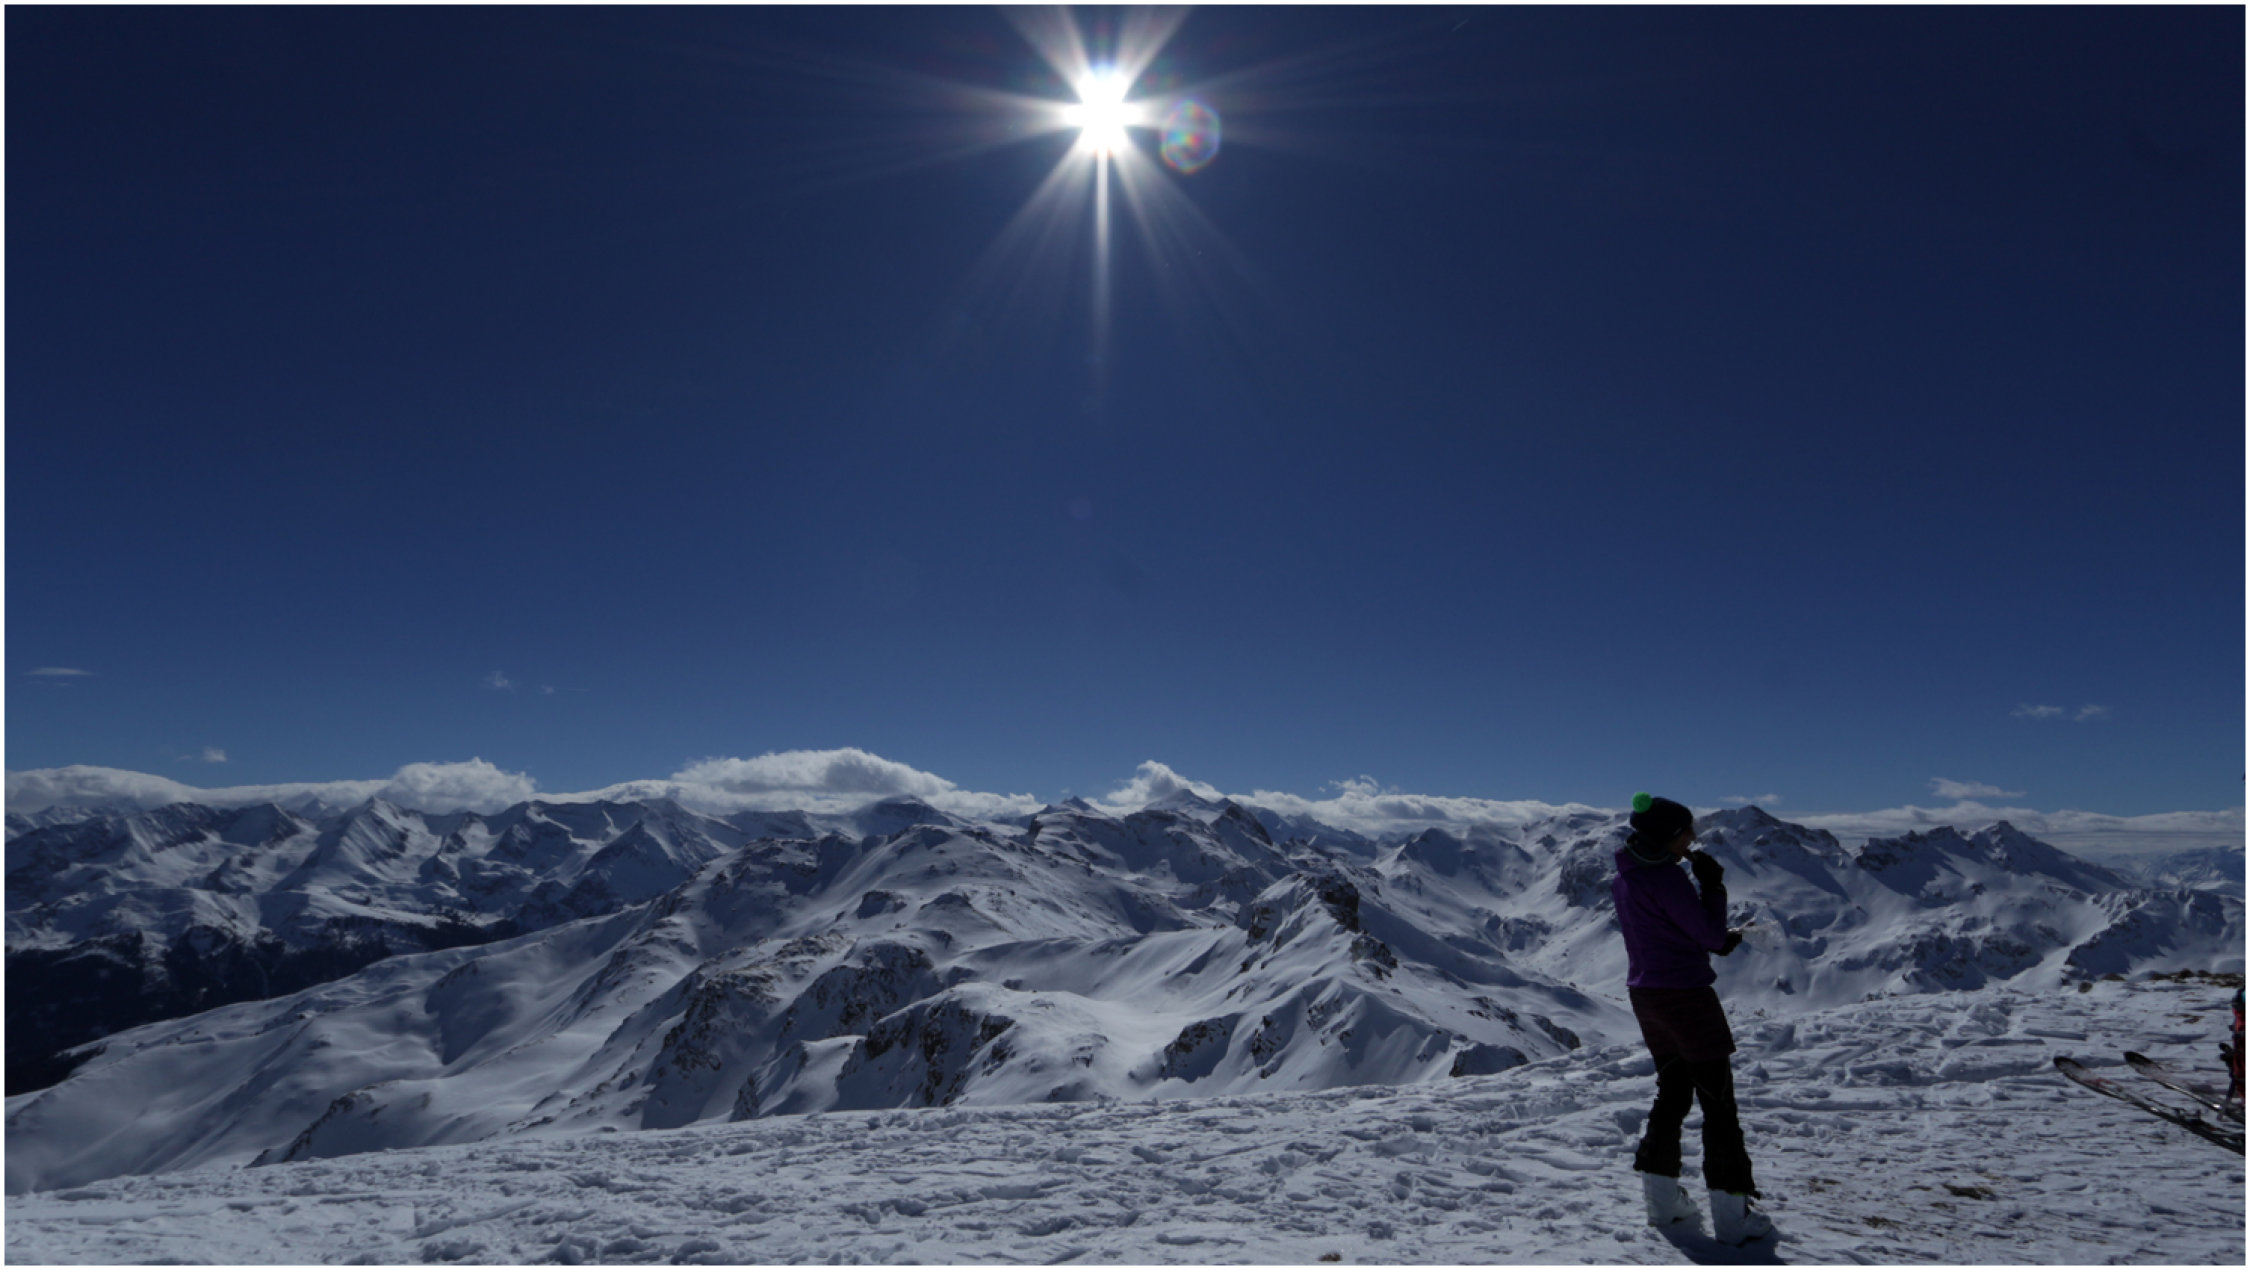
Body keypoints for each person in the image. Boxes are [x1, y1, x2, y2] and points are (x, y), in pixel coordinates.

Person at [1612, 792, 1772, 1245]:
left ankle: (1663, 1202)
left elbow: (1670, 931)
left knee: (1673, 1092)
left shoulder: (1625, 877)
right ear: (1667, 836)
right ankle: (1733, 1215)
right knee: (1718, 1103)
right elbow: (1710, 937)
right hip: (1687, 997)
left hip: (1646, 995)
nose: (1693, 838)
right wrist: (1714, 889)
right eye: (1686, 832)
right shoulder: (1667, 878)